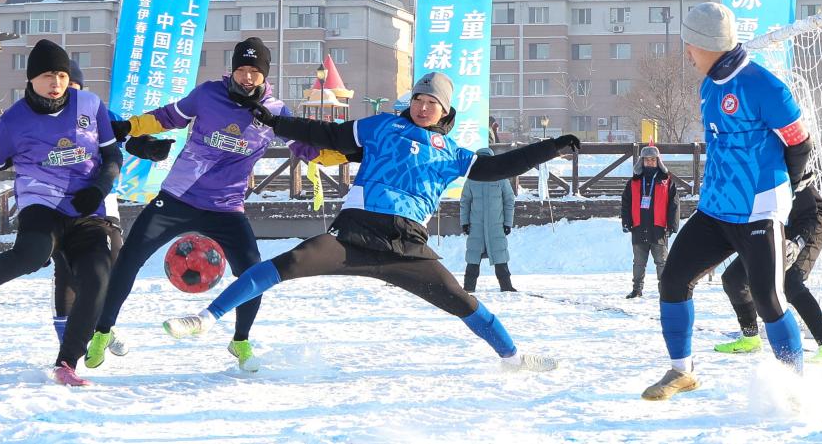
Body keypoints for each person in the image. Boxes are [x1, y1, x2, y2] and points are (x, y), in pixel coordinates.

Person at [163, 72, 581, 372]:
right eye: (418, 99)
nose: (422, 107)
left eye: (431, 102)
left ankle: (513, 358)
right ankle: (205, 319)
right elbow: (327, 133)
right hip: (353, 236)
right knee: (287, 263)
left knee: (463, 302)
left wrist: (551, 147)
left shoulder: (450, 151)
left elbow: (496, 168)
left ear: (444, 110)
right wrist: (277, 123)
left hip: (407, 248)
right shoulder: (383, 126)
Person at [85, 37, 321, 373]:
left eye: (255, 71)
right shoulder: (208, 94)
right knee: (129, 258)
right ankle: (102, 332)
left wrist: (345, 150)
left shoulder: (276, 112)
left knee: (253, 272)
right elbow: (169, 116)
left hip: (226, 207)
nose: (247, 77)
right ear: (233, 70)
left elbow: (306, 147)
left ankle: (240, 340)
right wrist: (131, 126)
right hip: (178, 197)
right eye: (242, 69)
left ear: (265, 75)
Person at [0, 39, 123, 387]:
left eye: (62, 75)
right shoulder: (14, 120)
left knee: (97, 276)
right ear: (31, 79)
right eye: (47, 75)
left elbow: (112, 155)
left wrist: (99, 188)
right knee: (31, 254)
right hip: (41, 203)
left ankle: (66, 363)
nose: (56, 82)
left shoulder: (90, 105)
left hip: (88, 208)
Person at [642, 2, 812, 401]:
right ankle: (681, 371)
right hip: (716, 208)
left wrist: (785, 190)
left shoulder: (765, 86)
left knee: (768, 297)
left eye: (689, 45)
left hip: (758, 209)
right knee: (673, 280)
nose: (687, 53)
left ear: (706, 44)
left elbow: (800, 143)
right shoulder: (709, 85)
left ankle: (795, 389)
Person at [0, 60, 170, 351]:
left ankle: (100, 327)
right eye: (53, 81)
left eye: (70, 84)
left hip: (96, 202)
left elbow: (124, 138)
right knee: (65, 270)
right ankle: (69, 341)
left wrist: (148, 146)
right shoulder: (27, 119)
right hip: (49, 205)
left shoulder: (93, 111)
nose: (60, 90)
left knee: (109, 263)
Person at [715, 171, 822, 362]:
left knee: (790, 281)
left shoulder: (782, 168)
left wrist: (797, 243)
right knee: (733, 279)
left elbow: (809, 216)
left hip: (809, 222)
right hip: (774, 223)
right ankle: (750, 338)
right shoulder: (743, 174)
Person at [620, 144, 678, 299]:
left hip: (658, 229)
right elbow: (626, 203)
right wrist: (626, 222)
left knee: (662, 263)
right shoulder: (633, 182)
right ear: (642, 161)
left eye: (653, 159)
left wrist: (672, 225)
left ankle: (664, 291)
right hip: (638, 227)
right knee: (638, 263)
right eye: (647, 159)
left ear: (658, 161)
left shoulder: (666, 181)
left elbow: (674, 204)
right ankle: (637, 290)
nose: (650, 162)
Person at [460, 147, 517, 292]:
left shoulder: (500, 178)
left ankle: (506, 286)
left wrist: (508, 223)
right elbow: (465, 201)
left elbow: (509, 200)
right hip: (477, 226)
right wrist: (464, 222)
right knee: (473, 256)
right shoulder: (472, 179)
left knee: (499, 255)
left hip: (496, 225)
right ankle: (468, 287)